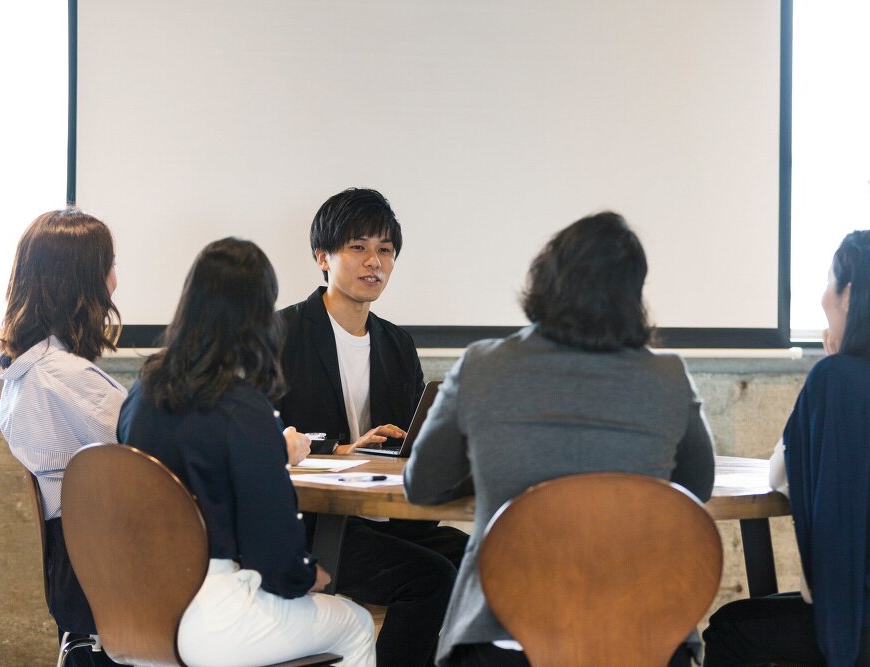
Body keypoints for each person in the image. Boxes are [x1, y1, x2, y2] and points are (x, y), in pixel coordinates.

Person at [403, 211, 716, 667]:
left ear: (546, 278)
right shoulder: (667, 377)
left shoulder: (483, 366)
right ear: (632, 295)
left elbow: (424, 484)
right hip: (645, 638)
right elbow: (695, 490)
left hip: (503, 641)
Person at [702, 229, 870, 666]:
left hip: (869, 632)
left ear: (849, 296)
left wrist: (832, 364)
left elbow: (779, 475)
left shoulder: (834, 379)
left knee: (729, 630)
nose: (822, 297)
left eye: (828, 283)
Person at [117, 238, 375, 667]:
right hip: (210, 618)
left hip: (134, 609)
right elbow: (273, 552)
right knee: (356, 624)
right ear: (259, 317)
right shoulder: (241, 406)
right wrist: (307, 574)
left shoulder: (140, 393)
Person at [277, 187, 468, 666]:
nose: (374, 262)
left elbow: (409, 439)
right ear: (323, 257)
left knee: (483, 557)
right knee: (431, 579)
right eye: (358, 247)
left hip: (383, 517)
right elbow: (263, 430)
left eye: (385, 250)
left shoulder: (397, 344)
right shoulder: (279, 334)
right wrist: (339, 448)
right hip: (311, 526)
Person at [0, 209, 124, 667]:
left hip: (78, 581)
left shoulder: (25, 372)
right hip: (114, 579)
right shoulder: (62, 377)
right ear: (80, 281)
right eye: (108, 266)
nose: (114, 282)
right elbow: (153, 452)